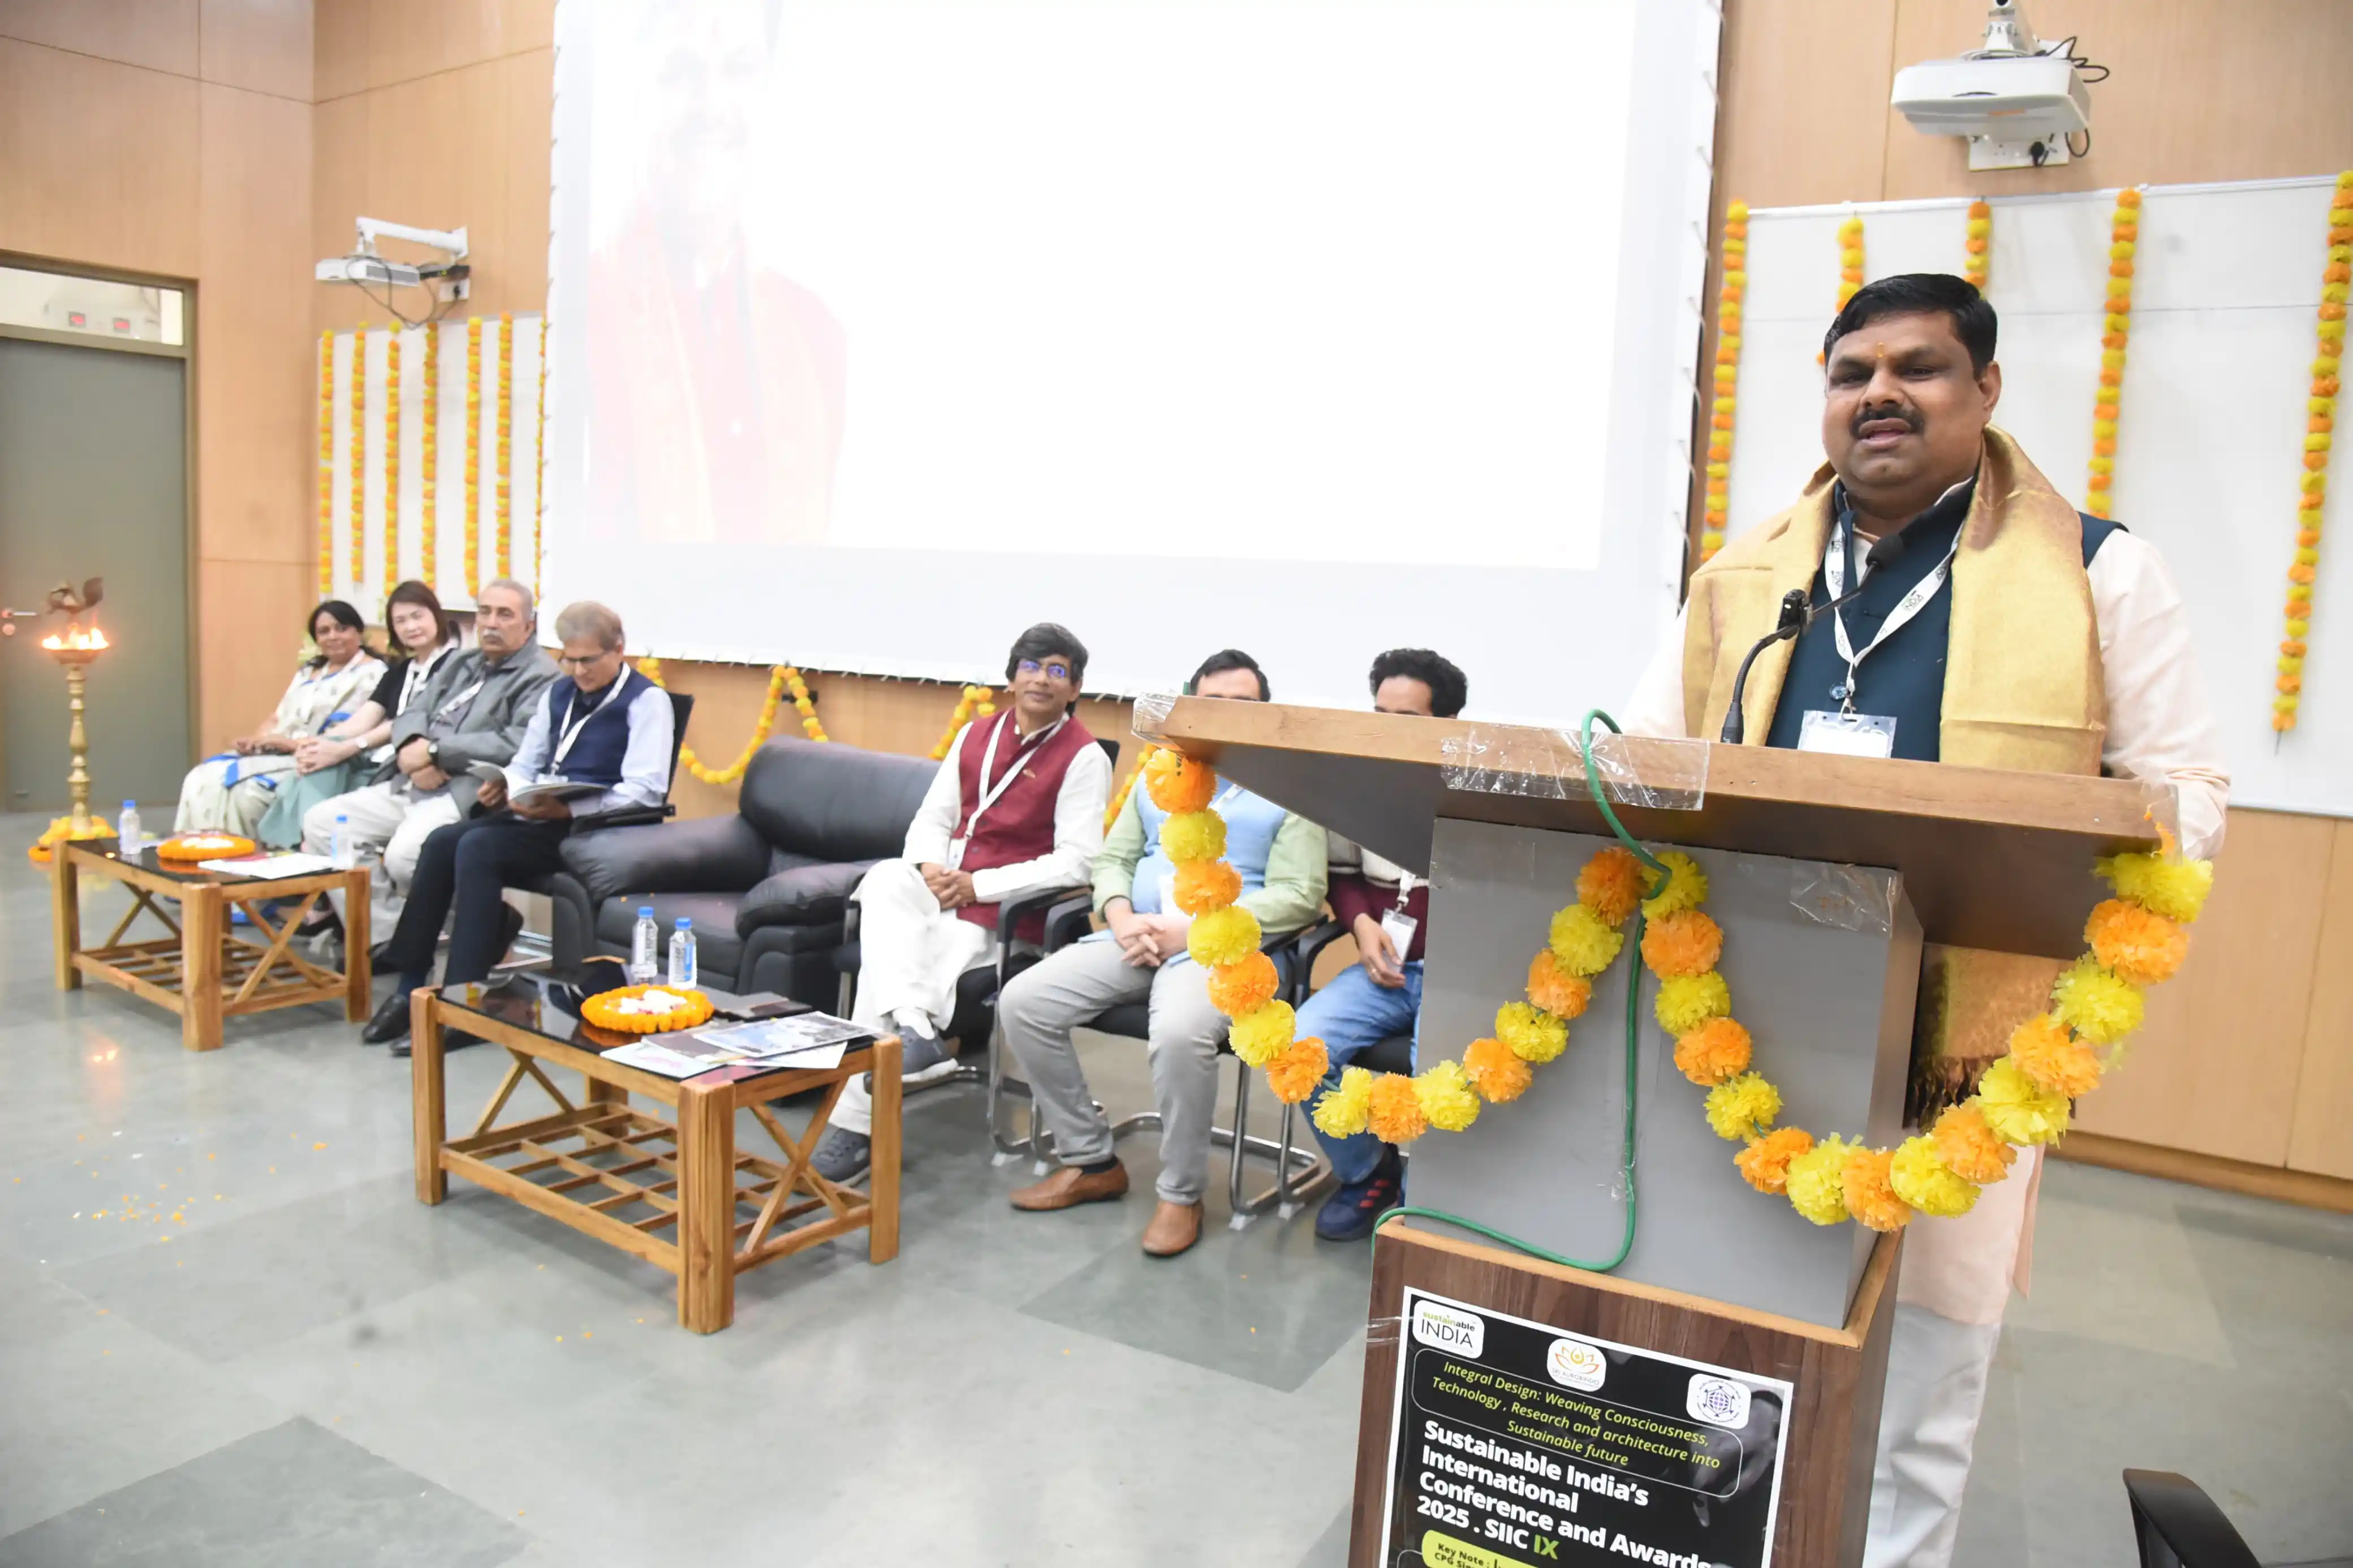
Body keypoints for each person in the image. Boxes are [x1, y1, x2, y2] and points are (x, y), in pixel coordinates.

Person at [1619, 273, 2229, 1568]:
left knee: (1923, 1372)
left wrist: (2047, 854)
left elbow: (2187, 795)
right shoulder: (1745, 579)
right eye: (1852, 374)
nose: (1879, 394)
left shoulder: (2098, 571)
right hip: (1752, 1000)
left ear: (1985, 389)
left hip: (1971, 1025)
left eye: (1919, 368)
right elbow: (1642, 759)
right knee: (1727, 1337)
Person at [997, 650, 1328, 1259]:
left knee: (1177, 1034)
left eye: (1243, 703)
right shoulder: (1161, 772)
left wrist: (1196, 932)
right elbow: (1114, 859)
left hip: (1225, 953)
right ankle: (1090, 1159)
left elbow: (1300, 896)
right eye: (1212, 701)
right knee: (1023, 1001)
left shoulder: (1292, 789)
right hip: (1137, 934)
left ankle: (1180, 1194)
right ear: (1190, 706)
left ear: (1265, 711)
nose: (1227, 713)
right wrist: (1120, 916)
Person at [811, 625, 1111, 1185]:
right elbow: (932, 817)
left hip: (1005, 911)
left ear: (1074, 688)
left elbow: (1078, 863)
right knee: (884, 878)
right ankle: (915, 1029)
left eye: (1057, 671)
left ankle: (856, 1126)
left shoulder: (1084, 757)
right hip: (943, 885)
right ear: (1011, 677)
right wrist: (930, 867)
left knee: (886, 973)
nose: (1041, 679)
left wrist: (981, 885)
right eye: (1030, 666)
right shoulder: (976, 733)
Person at [361, 602, 674, 1053]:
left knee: (478, 847)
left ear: (619, 649)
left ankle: (464, 1005)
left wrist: (568, 809)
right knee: (442, 841)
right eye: (569, 659)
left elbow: (646, 791)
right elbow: (527, 762)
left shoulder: (647, 701)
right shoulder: (558, 693)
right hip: (541, 817)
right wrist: (508, 784)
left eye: (589, 660)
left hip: (597, 828)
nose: (578, 671)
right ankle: (409, 985)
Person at [1298, 648, 1468, 1242]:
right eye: (1379, 714)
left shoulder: (1479, 789)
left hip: (1458, 978)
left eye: (1407, 719)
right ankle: (1367, 1171)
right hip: (1385, 970)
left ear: (1447, 723)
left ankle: (1425, 1201)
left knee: (1437, 1081)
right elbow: (1343, 876)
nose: (1387, 730)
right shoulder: (1357, 786)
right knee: (1298, 1048)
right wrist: (1360, 925)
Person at [301, 578, 557, 892]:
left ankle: (442, 919)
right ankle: (389, 922)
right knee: (321, 823)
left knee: (404, 858)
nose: (491, 623)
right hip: (409, 779)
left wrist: (436, 752)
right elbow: (413, 711)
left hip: (465, 790)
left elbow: (516, 741)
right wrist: (413, 750)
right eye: (485, 612)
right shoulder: (461, 662)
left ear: (529, 626)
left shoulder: (542, 675)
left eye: (505, 614)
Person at [257, 580, 460, 849]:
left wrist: (348, 747)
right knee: (317, 760)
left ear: (436, 615)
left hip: (413, 765)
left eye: (417, 616)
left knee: (328, 765)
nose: (410, 627)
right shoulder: (400, 671)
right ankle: (299, 848)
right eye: (400, 621)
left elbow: (406, 722)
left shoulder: (457, 666)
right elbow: (365, 719)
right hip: (378, 758)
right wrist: (317, 744)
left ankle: (304, 849)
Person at [174, 600, 384, 837]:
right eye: (324, 632)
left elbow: (352, 730)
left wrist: (292, 745)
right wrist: (256, 740)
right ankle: (200, 850)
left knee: (246, 792)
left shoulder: (374, 673)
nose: (333, 636)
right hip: (280, 752)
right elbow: (278, 717)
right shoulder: (309, 672)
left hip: (323, 758)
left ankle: (243, 855)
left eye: (342, 628)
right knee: (201, 777)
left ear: (359, 632)